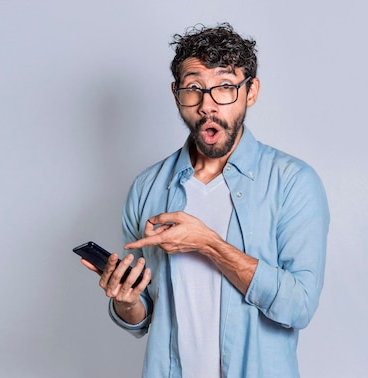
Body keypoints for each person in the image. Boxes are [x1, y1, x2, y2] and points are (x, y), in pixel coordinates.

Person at [81, 23, 329, 377]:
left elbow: (298, 307)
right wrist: (127, 301)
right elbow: (143, 316)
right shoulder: (147, 187)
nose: (207, 105)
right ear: (176, 92)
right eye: (194, 88)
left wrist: (208, 244)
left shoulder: (293, 182)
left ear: (251, 91)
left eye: (225, 87)